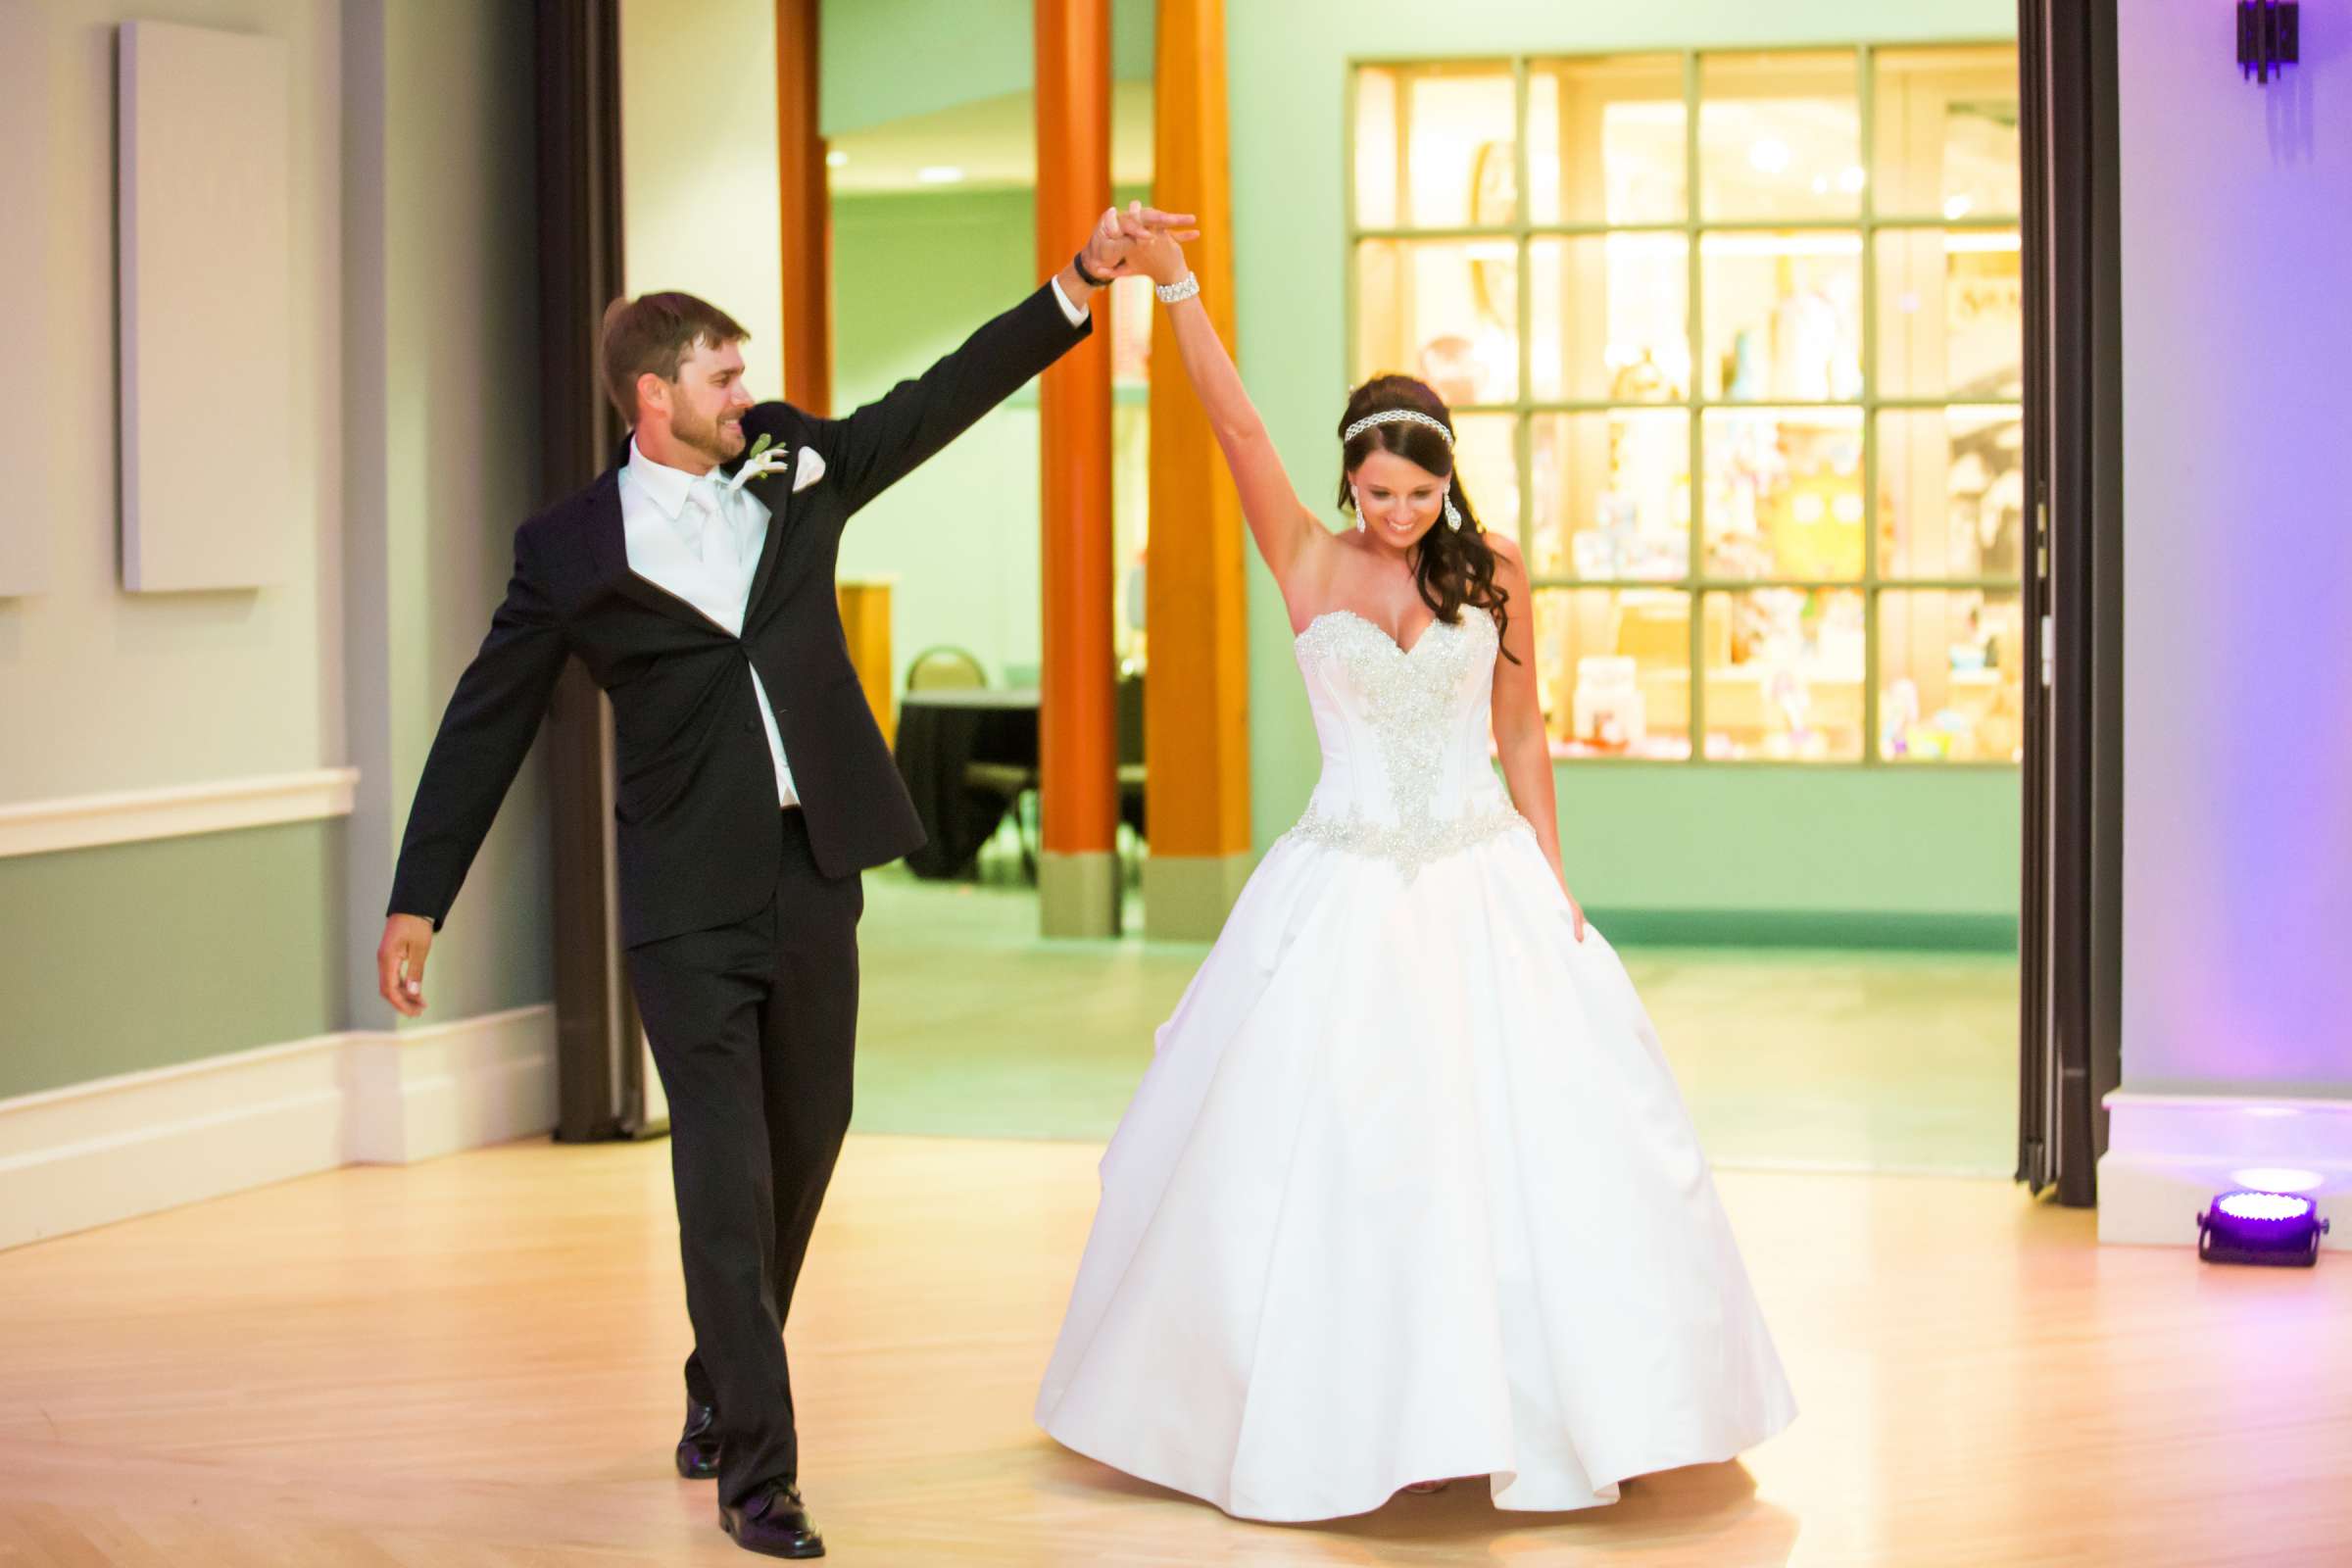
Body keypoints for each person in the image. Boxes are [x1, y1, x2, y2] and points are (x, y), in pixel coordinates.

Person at [375, 203, 1194, 1560]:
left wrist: (1079, 279)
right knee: (722, 1178)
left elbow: (935, 403)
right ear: (654, 396)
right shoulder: (569, 552)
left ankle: (717, 1383)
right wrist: (419, 899)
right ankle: (760, 1474)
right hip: (684, 899)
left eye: (743, 376)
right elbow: (486, 721)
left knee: (807, 1144)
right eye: (720, 378)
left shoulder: (796, 461)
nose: (743, 396)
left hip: (816, 872)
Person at [1035, 208, 1796, 1522]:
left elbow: (1521, 728)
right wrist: (1177, 291)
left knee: (1528, 1147)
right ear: (1349, 484)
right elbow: (1236, 429)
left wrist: (1557, 878)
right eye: (1379, 494)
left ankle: (1541, 1409)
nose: (1398, 518)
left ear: (1452, 484)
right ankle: (1334, 1406)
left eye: (1421, 494)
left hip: (1477, 873)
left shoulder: (1490, 572)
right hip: (1336, 888)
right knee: (1329, 1157)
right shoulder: (1306, 555)